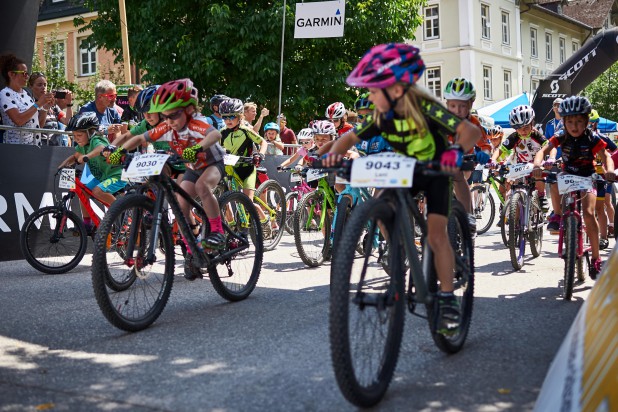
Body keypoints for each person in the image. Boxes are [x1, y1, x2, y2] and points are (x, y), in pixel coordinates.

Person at [321, 43, 481, 336]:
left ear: (395, 90)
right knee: (380, 203)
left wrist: (455, 152)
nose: (369, 96)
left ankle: (447, 300)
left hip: (435, 173)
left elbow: (470, 132)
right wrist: (332, 154)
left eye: (372, 90)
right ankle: (397, 254)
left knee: (435, 235)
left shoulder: (427, 108)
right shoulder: (381, 116)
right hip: (404, 171)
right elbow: (349, 138)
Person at [107, 78, 227, 280]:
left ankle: (217, 232)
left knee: (202, 186)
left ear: (188, 110)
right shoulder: (168, 127)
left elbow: (215, 135)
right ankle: (192, 250)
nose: (169, 120)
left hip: (211, 164)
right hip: (191, 168)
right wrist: (119, 151)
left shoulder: (196, 123)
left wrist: (198, 148)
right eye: (166, 116)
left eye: (174, 115)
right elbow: (139, 138)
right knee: (180, 206)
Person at [532, 96, 615, 279]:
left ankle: (595, 258)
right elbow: (542, 151)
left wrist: (609, 170)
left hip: (587, 176)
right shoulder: (561, 135)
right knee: (553, 180)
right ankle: (558, 214)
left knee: (588, 213)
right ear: (564, 121)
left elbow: (607, 156)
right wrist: (537, 166)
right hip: (567, 175)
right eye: (570, 121)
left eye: (579, 121)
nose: (574, 126)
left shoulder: (593, 138)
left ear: (586, 121)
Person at [57, 112, 126, 234]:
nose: (76, 138)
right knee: (83, 192)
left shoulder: (96, 139)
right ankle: (87, 225)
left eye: (79, 135)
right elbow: (75, 156)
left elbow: (100, 149)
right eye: (74, 135)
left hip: (116, 175)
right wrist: (61, 166)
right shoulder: (83, 144)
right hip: (101, 177)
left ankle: (124, 217)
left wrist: (86, 156)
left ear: (89, 133)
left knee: (98, 191)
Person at [443, 78, 491, 232]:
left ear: (471, 104)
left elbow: (485, 145)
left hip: (464, 161)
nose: (457, 110)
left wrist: (484, 153)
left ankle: (468, 216)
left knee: (458, 177)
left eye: (463, 106)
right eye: (453, 105)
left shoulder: (474, 123)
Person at [490, 105, 554, 216]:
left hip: (535, 164)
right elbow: (500, 150)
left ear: (531, 124)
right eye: (519, 128)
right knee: (513, 188)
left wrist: (552, 158)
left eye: (525, 127)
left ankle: (541, 196)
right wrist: (493, 160)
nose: (523, 131)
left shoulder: (537, 135)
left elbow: (550, 147)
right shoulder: (514, 137)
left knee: (538, 174)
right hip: (520, 165)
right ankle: (514, 219)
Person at [218, 98, 271, 226]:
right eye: (225, 117)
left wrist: (260, 154)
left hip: (247, 168)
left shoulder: (245, 130)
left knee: (247, 202)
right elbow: (215, 148)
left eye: (232, 116)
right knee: (227, 199)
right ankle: (231, 225)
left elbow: (263, 142)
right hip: (232, 168)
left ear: (240, 116)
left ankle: (265, 221)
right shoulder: (222, 132)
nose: (228, 120)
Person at [0, 53, 52, 145]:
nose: (27, 77)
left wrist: (45, 108)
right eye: (23, 74)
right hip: (17, 149)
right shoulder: (5, 94)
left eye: (27, 73)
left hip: (34, 147)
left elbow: (38, 125)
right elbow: (18, 120)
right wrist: (39, 104)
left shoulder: (26, 94)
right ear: (11, 74)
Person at [589, 109, 617, 249]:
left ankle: (607, 232)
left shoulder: (602, 138)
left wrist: (609, 166)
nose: (588, 125)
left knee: (605, 203)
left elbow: (614, 151)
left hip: (603, 175)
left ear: (596, 124)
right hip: (587, 176)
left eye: (591, 123)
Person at [28, 72, 73, 146]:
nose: (43, 87)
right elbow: (36, 127)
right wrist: (45, 108)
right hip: (39, 146)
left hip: (55, 147)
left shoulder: (53, 105)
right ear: (31, 86)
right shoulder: (30, 104)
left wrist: (69, 104)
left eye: (45, 85)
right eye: (39, 85)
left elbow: (68, 122)